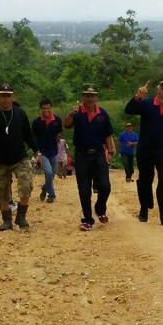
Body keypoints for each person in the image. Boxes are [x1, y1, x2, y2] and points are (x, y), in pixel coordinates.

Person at [0, 82, 41, 231]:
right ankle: (6, 220)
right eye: (2, 96)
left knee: (26, 186)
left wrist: (36, 151)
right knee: (1, 192)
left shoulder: (20, 113)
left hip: (19, 158)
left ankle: (21, 217)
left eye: (7, 96)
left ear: (12, 97)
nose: (5, 99)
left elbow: (28, 134)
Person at [125, 77, 163, 226]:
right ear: (158, 90)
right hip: (145, 150)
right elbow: (129, 110)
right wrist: (138, 96)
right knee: (145, 180)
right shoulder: (147, 104)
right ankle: (144, 208)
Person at [64, 83, 115, 231]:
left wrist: (110, 151)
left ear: (96, 97)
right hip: (81, 155)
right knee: (84, 189)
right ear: (82, 97)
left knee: (105, 186)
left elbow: (107, 135)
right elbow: (66, 125)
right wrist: (71, 114)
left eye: (92, 96)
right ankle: (87, 219)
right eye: (87, 96)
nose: (90, 98)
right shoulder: (77, 112)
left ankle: (100, 208)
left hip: (99, 153)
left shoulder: (102, 114)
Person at [32, 98, 63, 204]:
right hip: (42, 152)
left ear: (51, 108)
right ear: (41, 109)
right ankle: (52, 194)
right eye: (44, 108)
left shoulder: (57, 120)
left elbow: (59, 133)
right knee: (49, 172)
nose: (46, 110)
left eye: (48, 108)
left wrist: (58, 138)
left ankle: (45, 188)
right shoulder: (36, 122)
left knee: (52, 173)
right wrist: (36, 154)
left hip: (54, 151)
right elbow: (33, 138)